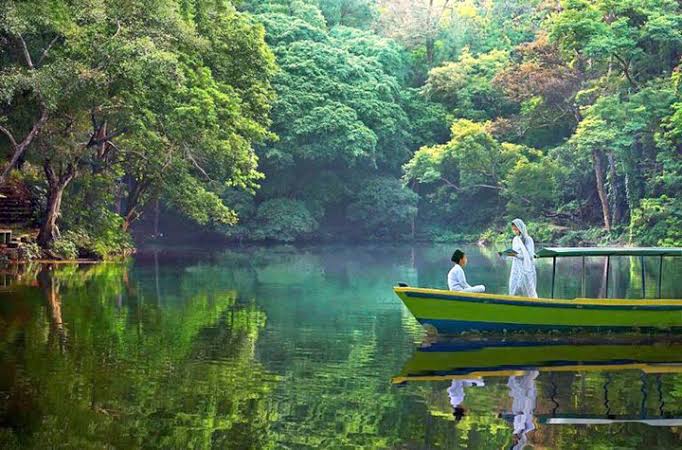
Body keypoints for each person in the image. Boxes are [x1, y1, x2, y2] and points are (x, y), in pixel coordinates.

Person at [507, 219, 538, 298]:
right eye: (513, 230)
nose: (515, 231)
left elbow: (530, 255)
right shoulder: (515, 239)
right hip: (516, 267)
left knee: (527, 288)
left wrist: (516, 255)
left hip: (526, 268)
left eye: (516, 229)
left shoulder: (528, 239)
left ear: (520, 228)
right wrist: (510, 254)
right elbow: (515, 252)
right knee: (513, 286)